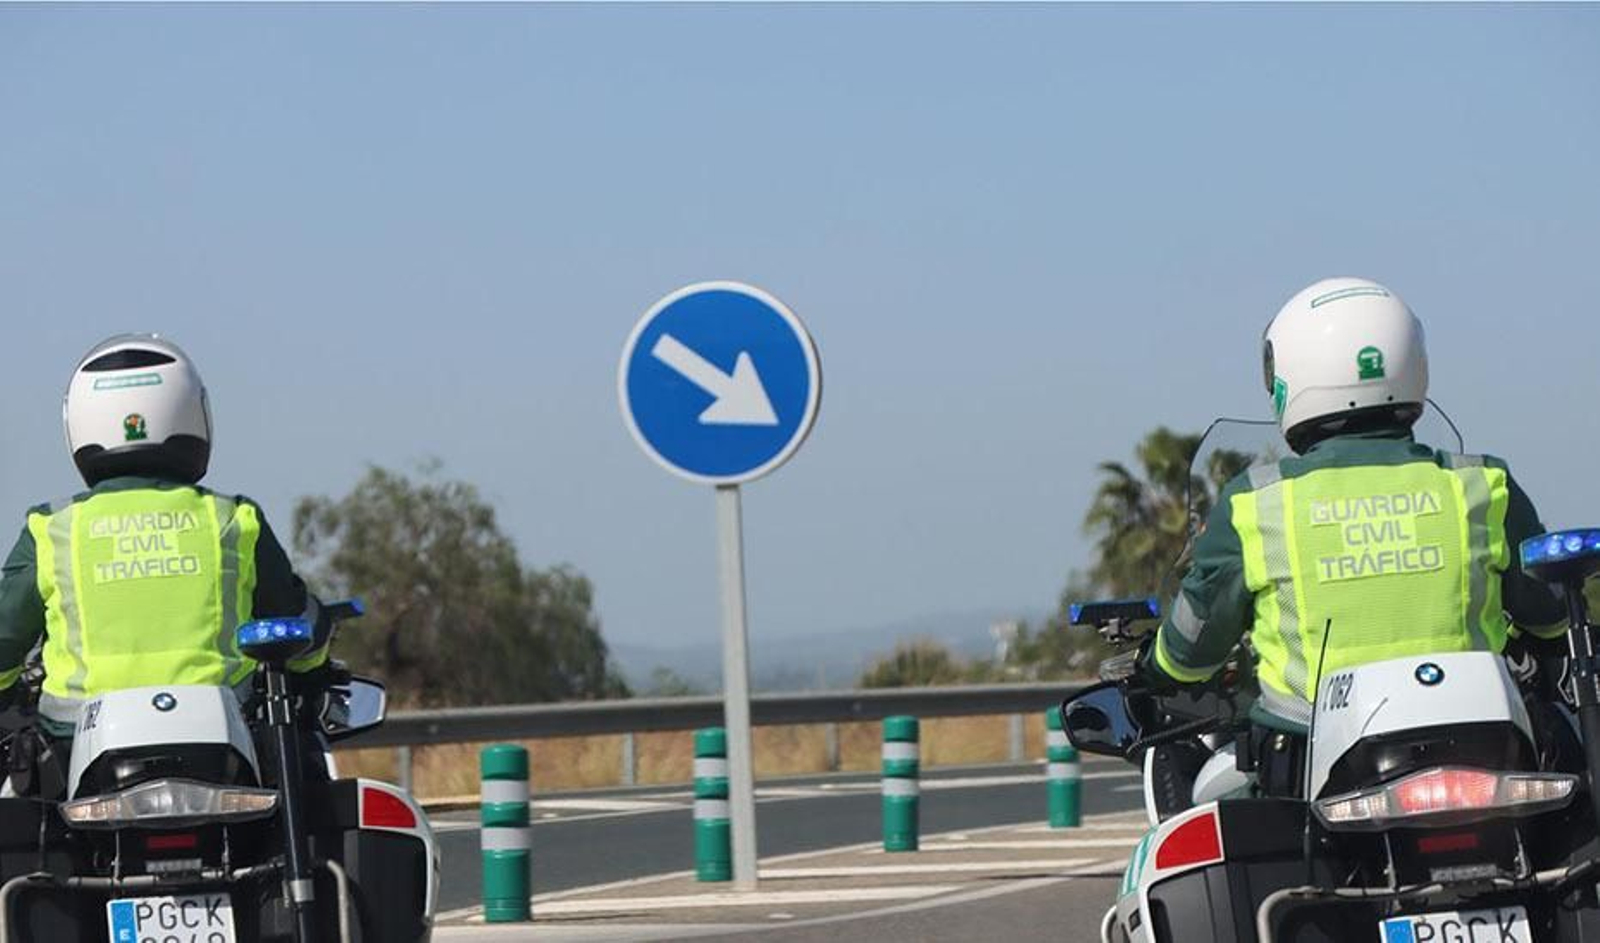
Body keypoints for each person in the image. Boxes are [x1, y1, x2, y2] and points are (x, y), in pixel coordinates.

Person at [1142, 277, 1566, 791]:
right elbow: (1549, 616)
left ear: (1289, 378)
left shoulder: (1257, 502)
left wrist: (1154, 667)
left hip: (1310, 763)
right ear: (1414, 365)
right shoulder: (1483, 484)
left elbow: (1190, 652)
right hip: (1486, 748)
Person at [0, 334, 328, 789]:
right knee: (306, 774)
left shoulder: (52, 527)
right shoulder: (233, 518)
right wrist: (317, 664)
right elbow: (297, 624)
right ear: (194, 413)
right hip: (224, 742)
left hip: (74, 747)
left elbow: (4, 639)